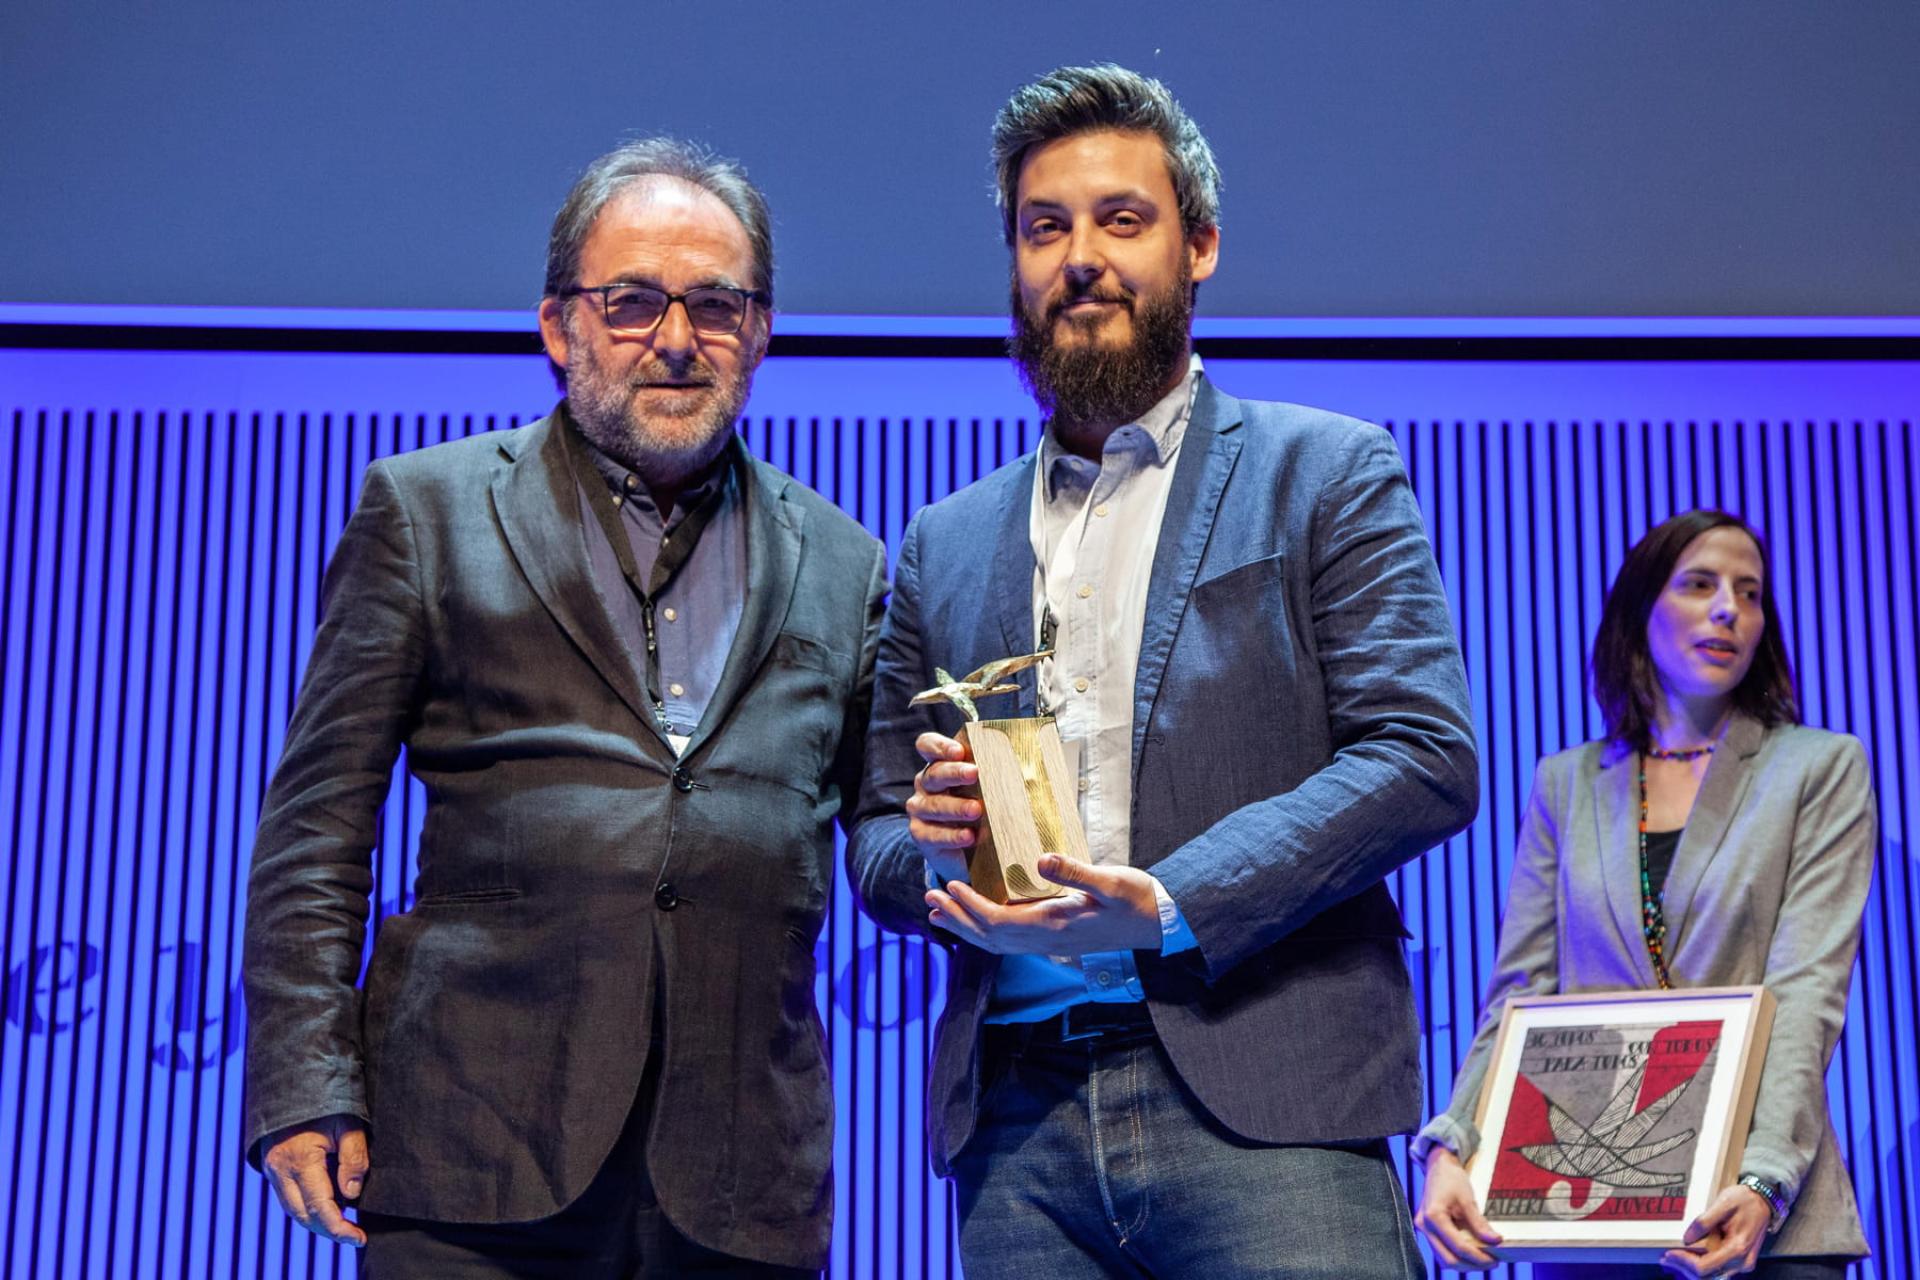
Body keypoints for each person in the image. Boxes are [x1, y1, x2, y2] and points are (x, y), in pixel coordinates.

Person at [846, 64, 1478, 1279]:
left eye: (1122, 219)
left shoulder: (1328, 470)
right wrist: (935, 848)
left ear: (1200, 247)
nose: (1081, 257)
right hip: (1016, 1129)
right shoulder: (942, 541)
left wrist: (1171, 899)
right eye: (1045, 228)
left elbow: (1425, 754)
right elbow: (875, 831)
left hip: (1271, 1103)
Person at [241, 137, 886, 1278]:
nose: (676, 339)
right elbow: (316, 828)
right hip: (473, 1157)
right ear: (558, 326)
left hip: (740, 1181)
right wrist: (304, 1080)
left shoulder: (845, 560)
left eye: (716, 305)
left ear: (760, 332)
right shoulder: (426, 512)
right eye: (632, 302)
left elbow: (882, 829)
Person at [1413, 509, 1875, 1279]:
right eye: (1700, 584)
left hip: (1760, 1217)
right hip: (1592, 1214)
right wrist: (1453, 1143)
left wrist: (1764, 1179)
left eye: (1750, 593)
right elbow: (1522, 994)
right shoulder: (1564, 783)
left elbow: (1807, 993)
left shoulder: (1819, 768)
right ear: (1640, 609)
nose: (1729, 609)